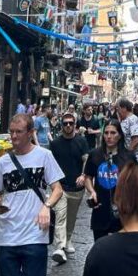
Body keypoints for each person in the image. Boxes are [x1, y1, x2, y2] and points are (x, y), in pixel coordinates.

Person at [0, 113, 64, 276]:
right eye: (11, 131)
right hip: (7, 236)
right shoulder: (3, 161)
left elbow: (57, 189)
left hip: (35, 234)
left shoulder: (44, 156)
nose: (13, 136)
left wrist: (46, 206)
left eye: (18, 132)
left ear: (31, 133)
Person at [83, 119, 135, 241]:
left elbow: (136, 183)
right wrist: (92, 191)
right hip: (101, 208)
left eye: (113, 133)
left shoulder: (128, 157)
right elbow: (88, 177)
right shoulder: (95, 154)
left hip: (122, 210)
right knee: (101, 247)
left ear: (120, 135)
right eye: (106, 133)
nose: (109, 137)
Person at [48, 112, 89, 265]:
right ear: (62, 125)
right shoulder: (55, 144)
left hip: (77, 188)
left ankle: (68, 239)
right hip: (60, 187)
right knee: (60, 216)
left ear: (75, 124)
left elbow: (86, 160)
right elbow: (50, 164)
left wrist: (83, 175)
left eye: (71, 123)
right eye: (65, 123)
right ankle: (59, 247)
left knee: (71, 218)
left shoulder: (81, 141)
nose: (68, 126)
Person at [115, 97, 138, 165]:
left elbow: (135, 140)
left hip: (132, 159)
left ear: (124, 108)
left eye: (118, 108)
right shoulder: (125, 119)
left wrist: (127, 154)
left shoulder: (132, 120)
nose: (117, 111)